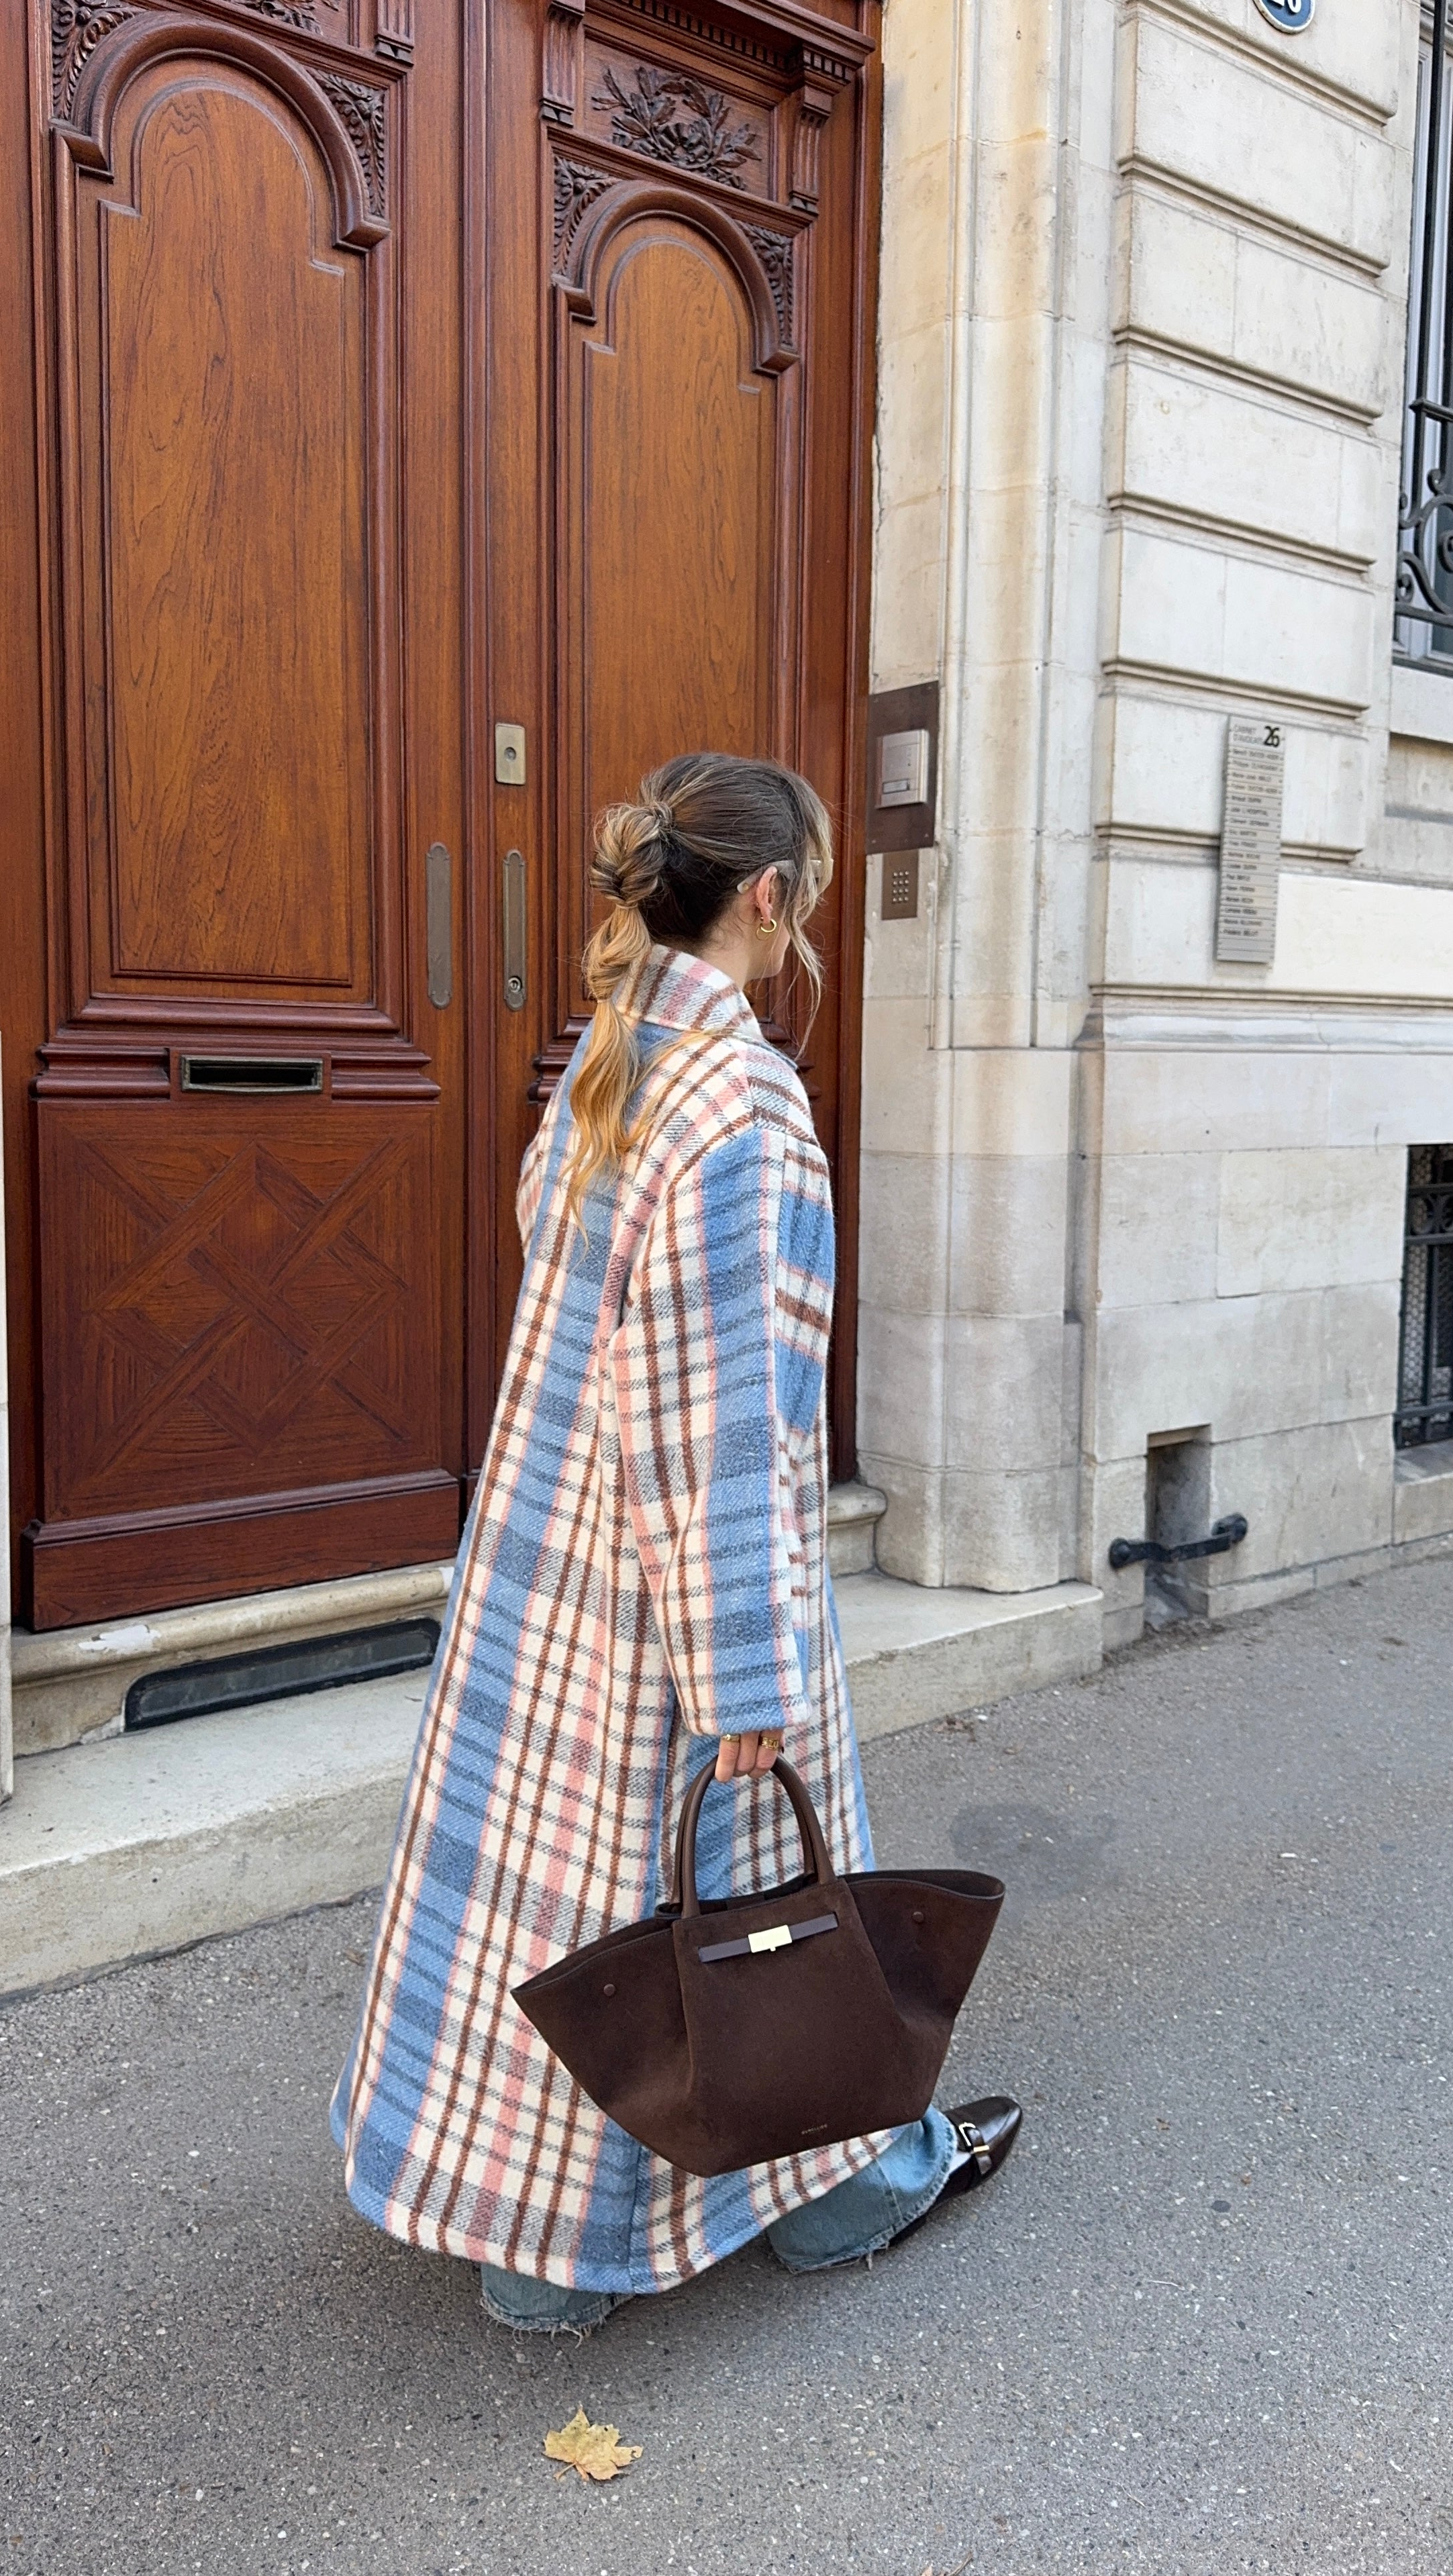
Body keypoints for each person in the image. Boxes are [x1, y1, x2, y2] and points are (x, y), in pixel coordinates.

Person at [333, 751, 1020, 2333]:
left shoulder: (616, 1060)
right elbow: (720, 1430)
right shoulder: (743, 1107)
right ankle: (839, 2188)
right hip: (672, 1595)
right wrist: (746, 1677)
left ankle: (537, 2254)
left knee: (564, 1903)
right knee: (738, 1909)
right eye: (807, 897)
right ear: (768, 896)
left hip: (546, 1567)